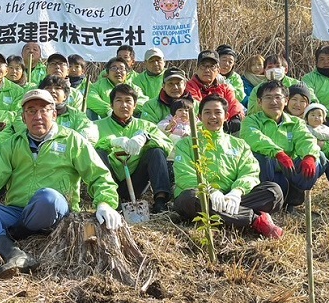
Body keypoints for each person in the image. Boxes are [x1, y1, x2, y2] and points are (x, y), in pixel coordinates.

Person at [0, 89, 122, 278]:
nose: (38, 116)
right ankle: (14, 253)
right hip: (19, 211)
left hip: (56, 211)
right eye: (31, 111)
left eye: (44, 110)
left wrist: (105, 203)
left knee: (48, 199)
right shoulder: (12, 144)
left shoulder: (73, 141)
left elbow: (99, 175)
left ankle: (15, 233)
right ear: (23, 117)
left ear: (55, 114)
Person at [171, 95, 284, 238]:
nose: (213, 116)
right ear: (199, 116)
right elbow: (184, 175)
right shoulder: (186, 144)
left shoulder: (239, 144)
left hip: (233, 198)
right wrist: (210, 191)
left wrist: (236, 192)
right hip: (203, 197)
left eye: (218, 112)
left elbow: (250, 171)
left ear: (226, 116)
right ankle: (255, 219)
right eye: (207, 112)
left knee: (274, 192)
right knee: (189, 198)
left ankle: (224, 216)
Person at [240, 80, 322, 210]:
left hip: (289, 170)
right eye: (268, 97)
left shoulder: (295, 122)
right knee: (261, 156)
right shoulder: (251, 121)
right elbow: (255, 138)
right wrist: (278, 153)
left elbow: (306, 139)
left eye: (278, 97)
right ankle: (268, 200)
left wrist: (309, 156)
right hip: (267, 170)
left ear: (286, 101)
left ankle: (293, 199)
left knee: (318, 158)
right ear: (260, 102)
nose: (273, 102)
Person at [93, 83, 174, 213]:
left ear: (135, 105)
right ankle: (111, 202)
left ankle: (160, 201)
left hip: (136, 180)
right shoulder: (97, 126)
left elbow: (167, 145)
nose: (124, 105)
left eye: (128, 101)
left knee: (156, 152)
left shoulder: (146, 126)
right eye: (119, 101)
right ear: (111, 105)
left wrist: (146, 139)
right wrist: (111, 142)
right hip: (109, 181)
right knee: (98, 153)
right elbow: (87, 147)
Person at [185, 50, 245, 133]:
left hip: (224, 126)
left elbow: (233, 103)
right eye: (203, 66)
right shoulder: (189, 86)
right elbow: (196, 106)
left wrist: (236, 117)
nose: (207, 70)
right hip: (199, 126)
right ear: (197, 69)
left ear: (218, 70)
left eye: (212, 66)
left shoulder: (225, 88)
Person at [40, 75, 96, 141]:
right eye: (48, 88)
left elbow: (89, 134)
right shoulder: (34, 113)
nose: (53, 91)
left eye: (57, 88)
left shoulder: (77, 115)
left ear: (65, 96)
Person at [304, 103, 329, 196]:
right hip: (311, 155)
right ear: (306, 117)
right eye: (312, 115)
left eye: (319, 115)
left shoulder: (327, 130)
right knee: (327, 165)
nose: (316, 117)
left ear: (324, 118)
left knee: (326, 162)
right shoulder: (305, 128)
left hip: (327, 153)